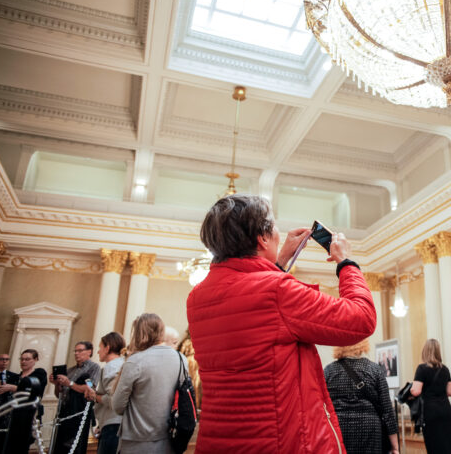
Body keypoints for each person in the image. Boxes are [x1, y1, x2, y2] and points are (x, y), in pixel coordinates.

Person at [186, 194, 376, 453]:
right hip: (279, 441)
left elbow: (251, 304)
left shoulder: (198, 297)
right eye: (273, 226)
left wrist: (277, 262)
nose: (278, 232)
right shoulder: (277, 290)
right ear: (262, 238)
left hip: (220, 440)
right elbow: (361, 319)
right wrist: (347, 263)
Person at [112, 314, 183, 454]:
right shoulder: (181, 359)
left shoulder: (135, 361)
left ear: (138, 333)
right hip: (169, 437)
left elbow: (118, 406)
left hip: (136, 439)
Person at [323, 339, 399, 454]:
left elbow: (322, 406)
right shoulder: (374, 369)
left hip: (339, 428)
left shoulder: (329, 371)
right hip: (370, 429)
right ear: (362, 344)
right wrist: (395, 446)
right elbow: (387, 411)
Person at [49, 341, 100, 454]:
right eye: (75, 351)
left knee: (76, 445)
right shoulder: (70, 371)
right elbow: (59, 395)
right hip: (64, 411)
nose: (76, 353)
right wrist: (57, 384)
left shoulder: (94, 368)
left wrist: (70, 383)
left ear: (89, 352)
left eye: (80, 350)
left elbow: (91, 389)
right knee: (60, 445)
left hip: (80, 411)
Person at [84, 332, 125, 454]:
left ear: (107, 348)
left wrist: (94, 396)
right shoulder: (123, 364)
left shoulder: (111, 367)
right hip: (114, 423)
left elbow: (113, 399)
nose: (98, 352)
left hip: (113, 425)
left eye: (100, 347)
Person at [0, 350, 47, 453]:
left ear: (35, 360)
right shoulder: (14, 378)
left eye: (27, 359)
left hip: (28, 415)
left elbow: (33, 391)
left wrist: (13, 388)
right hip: (9, 417)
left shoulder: (39, 374)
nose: (23, 361)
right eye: (21, 359)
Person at [410, 339, 451, 454]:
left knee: (433, 447)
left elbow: (416, 391)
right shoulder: (445, 369)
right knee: (446, 446)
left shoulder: (422, 369)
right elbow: (450, 392)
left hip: (430, 412)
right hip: (445, 410)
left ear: (425, 351)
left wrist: (410, 388)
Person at [0, 353, 19, 452]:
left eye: (7, 359)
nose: (4, 361)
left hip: (6, 414)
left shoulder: (14, 376)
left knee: (2, 442)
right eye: (2, 359)